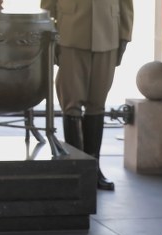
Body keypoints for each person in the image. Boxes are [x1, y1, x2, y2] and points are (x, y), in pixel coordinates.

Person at [42, 0, 133, 191]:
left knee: (97, 103)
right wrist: (49, 34)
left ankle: (93, 169)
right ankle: (75, 168)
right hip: (71, 33)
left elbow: (126, 3)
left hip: (108, 32)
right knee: (71, 102)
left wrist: (124, 35)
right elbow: (48, 4)